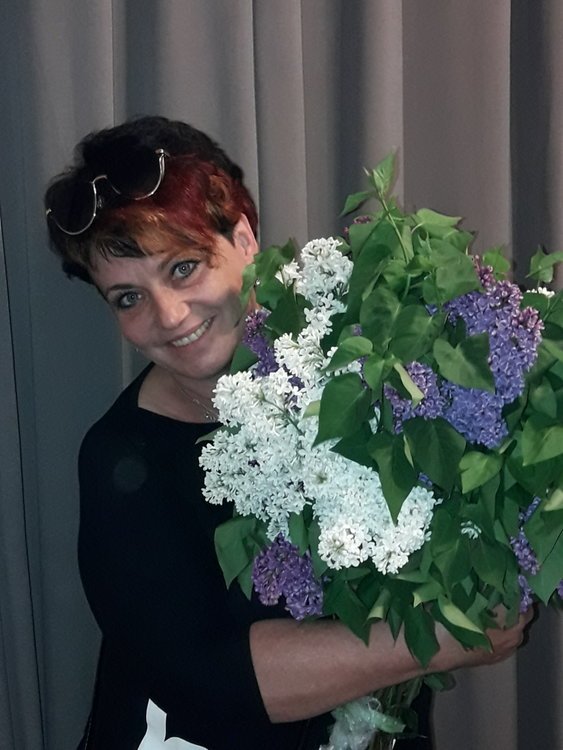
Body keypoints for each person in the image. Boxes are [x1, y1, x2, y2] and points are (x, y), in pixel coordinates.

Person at [44, 116, 532, 750]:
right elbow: (207, 681)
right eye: (127, 298)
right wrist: (439, 641)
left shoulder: (364, 365)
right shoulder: (121, 459)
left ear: (244, 239)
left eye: (184, 267)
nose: (168, 315)